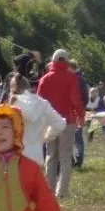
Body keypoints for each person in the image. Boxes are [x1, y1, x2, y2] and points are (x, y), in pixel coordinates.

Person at [36, 49, 85, 199]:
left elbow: (39, 102)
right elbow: (76, 100)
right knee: (65, 157)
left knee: (51, 156)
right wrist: (81, 115)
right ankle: (62, 191)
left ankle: (49, 190)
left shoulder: (45, 79)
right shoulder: (71, 78)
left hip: (50, 122)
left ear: (53, 60)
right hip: (67, 121)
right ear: (67, 61)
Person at [8, 72, 66, 168]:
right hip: (36, 157)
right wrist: (46, 137)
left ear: (12, 88)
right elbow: (60, 123)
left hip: (14, 157)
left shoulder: (12, 103)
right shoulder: (42, 104)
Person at [70, 61, 90, 170]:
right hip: (77, 111)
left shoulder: (76, 80)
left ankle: (75, 161)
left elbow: (85, 97)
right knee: (76, 137)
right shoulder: (81, 80)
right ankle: (76, 161)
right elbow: (86, 97)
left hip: (73, 111)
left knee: (74, 137)